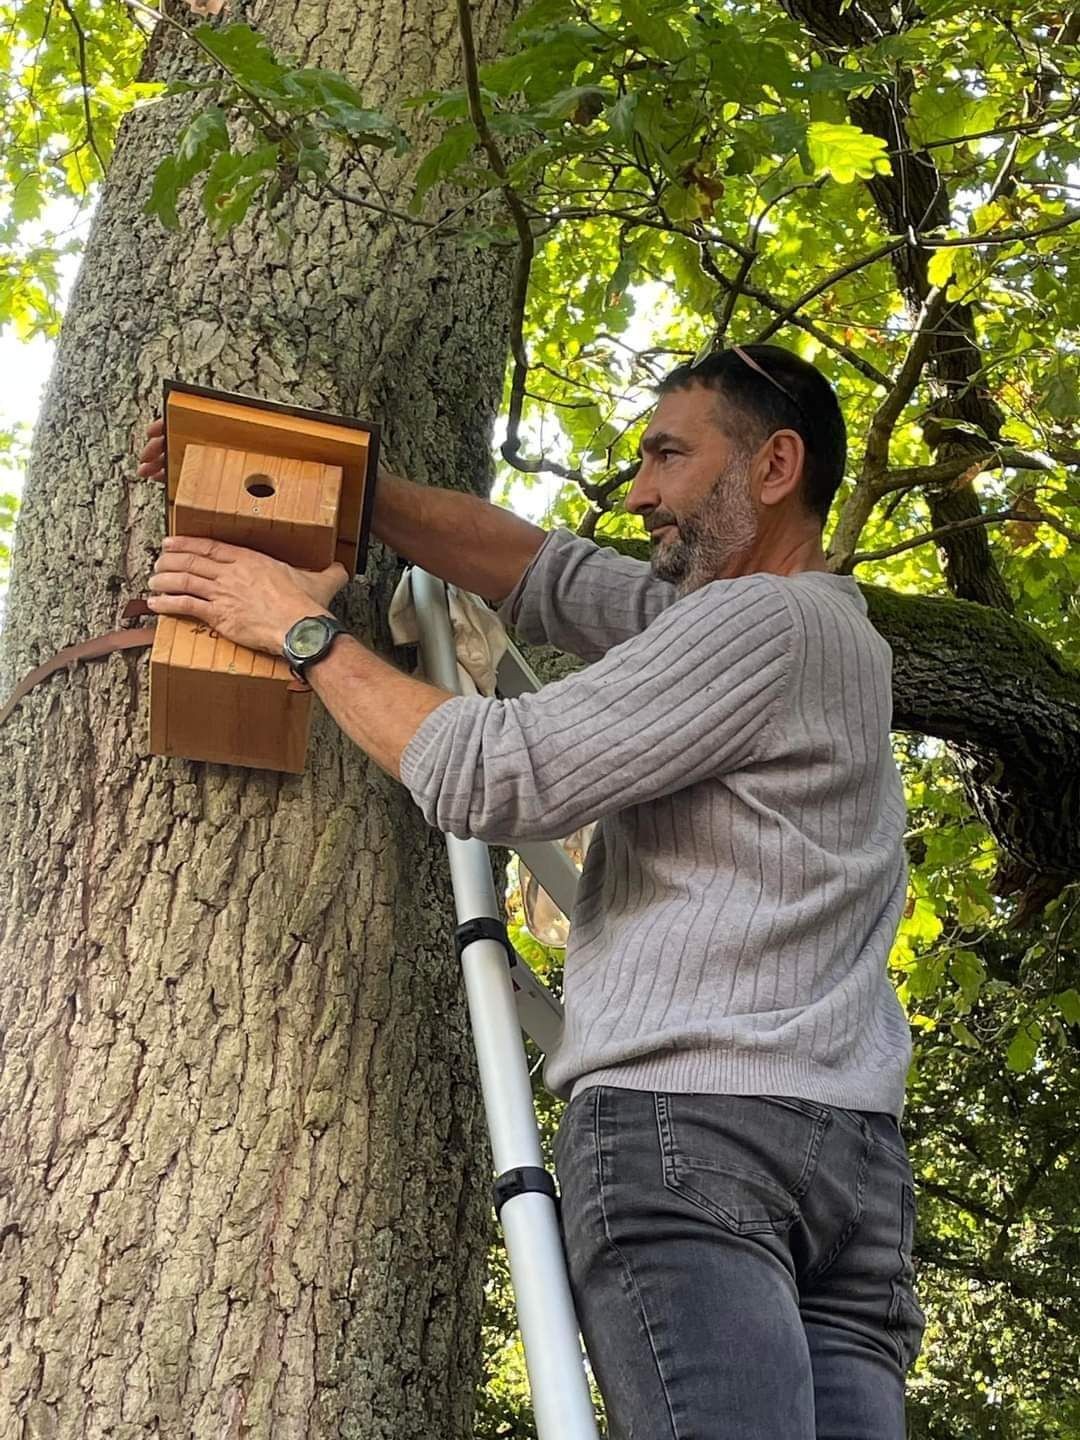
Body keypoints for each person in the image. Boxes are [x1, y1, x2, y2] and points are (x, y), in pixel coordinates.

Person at [138, 343, 926, 1439]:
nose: (638, 491)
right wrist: (328, 484)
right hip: (856, 1175)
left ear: (776, 464)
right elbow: (535, 570)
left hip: (702, 1131)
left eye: (667, 455)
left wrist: (297, 627)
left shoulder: (761, 622)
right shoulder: (825, 635)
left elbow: (494, 773)